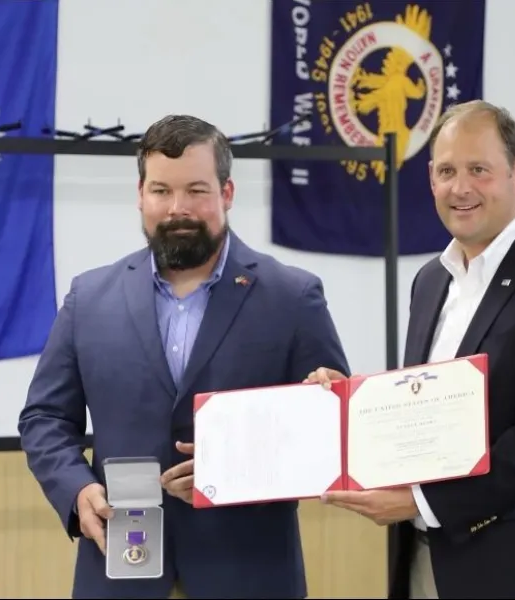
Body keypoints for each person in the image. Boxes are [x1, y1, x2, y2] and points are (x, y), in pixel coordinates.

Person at [18, 114, 350, 599]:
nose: (178, 208)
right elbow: (45, 418)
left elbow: (330, 432)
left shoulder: (292, 297)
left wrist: (297, 423)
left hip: (250, 574)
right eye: (161, 191)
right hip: (120, 572)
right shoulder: (88, 298)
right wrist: (76, 491)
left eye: (196, 190)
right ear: (140, 195)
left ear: (227, 193)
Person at [305, 100, 515, 599]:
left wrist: (420, 501)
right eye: (446, 171)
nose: (460, 188)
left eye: (478, 170)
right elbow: (424, 405)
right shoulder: (431, 280)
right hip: (423, 558)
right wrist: (346, 404)